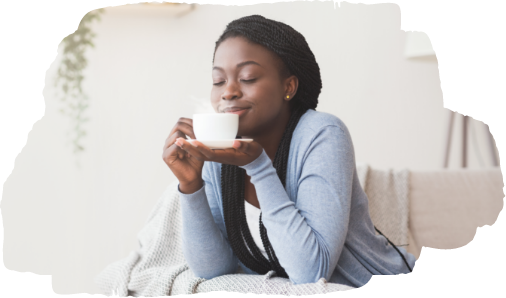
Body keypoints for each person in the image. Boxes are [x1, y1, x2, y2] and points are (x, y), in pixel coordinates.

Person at [162, 14, 416, 288]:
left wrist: (258, 167)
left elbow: (311, 273)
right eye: (219, 80)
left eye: (247, 77)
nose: (229, 92)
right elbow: (213, 269)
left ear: (289, 87)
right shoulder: (217, 149)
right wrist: (191, 186)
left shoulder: (323, 134)